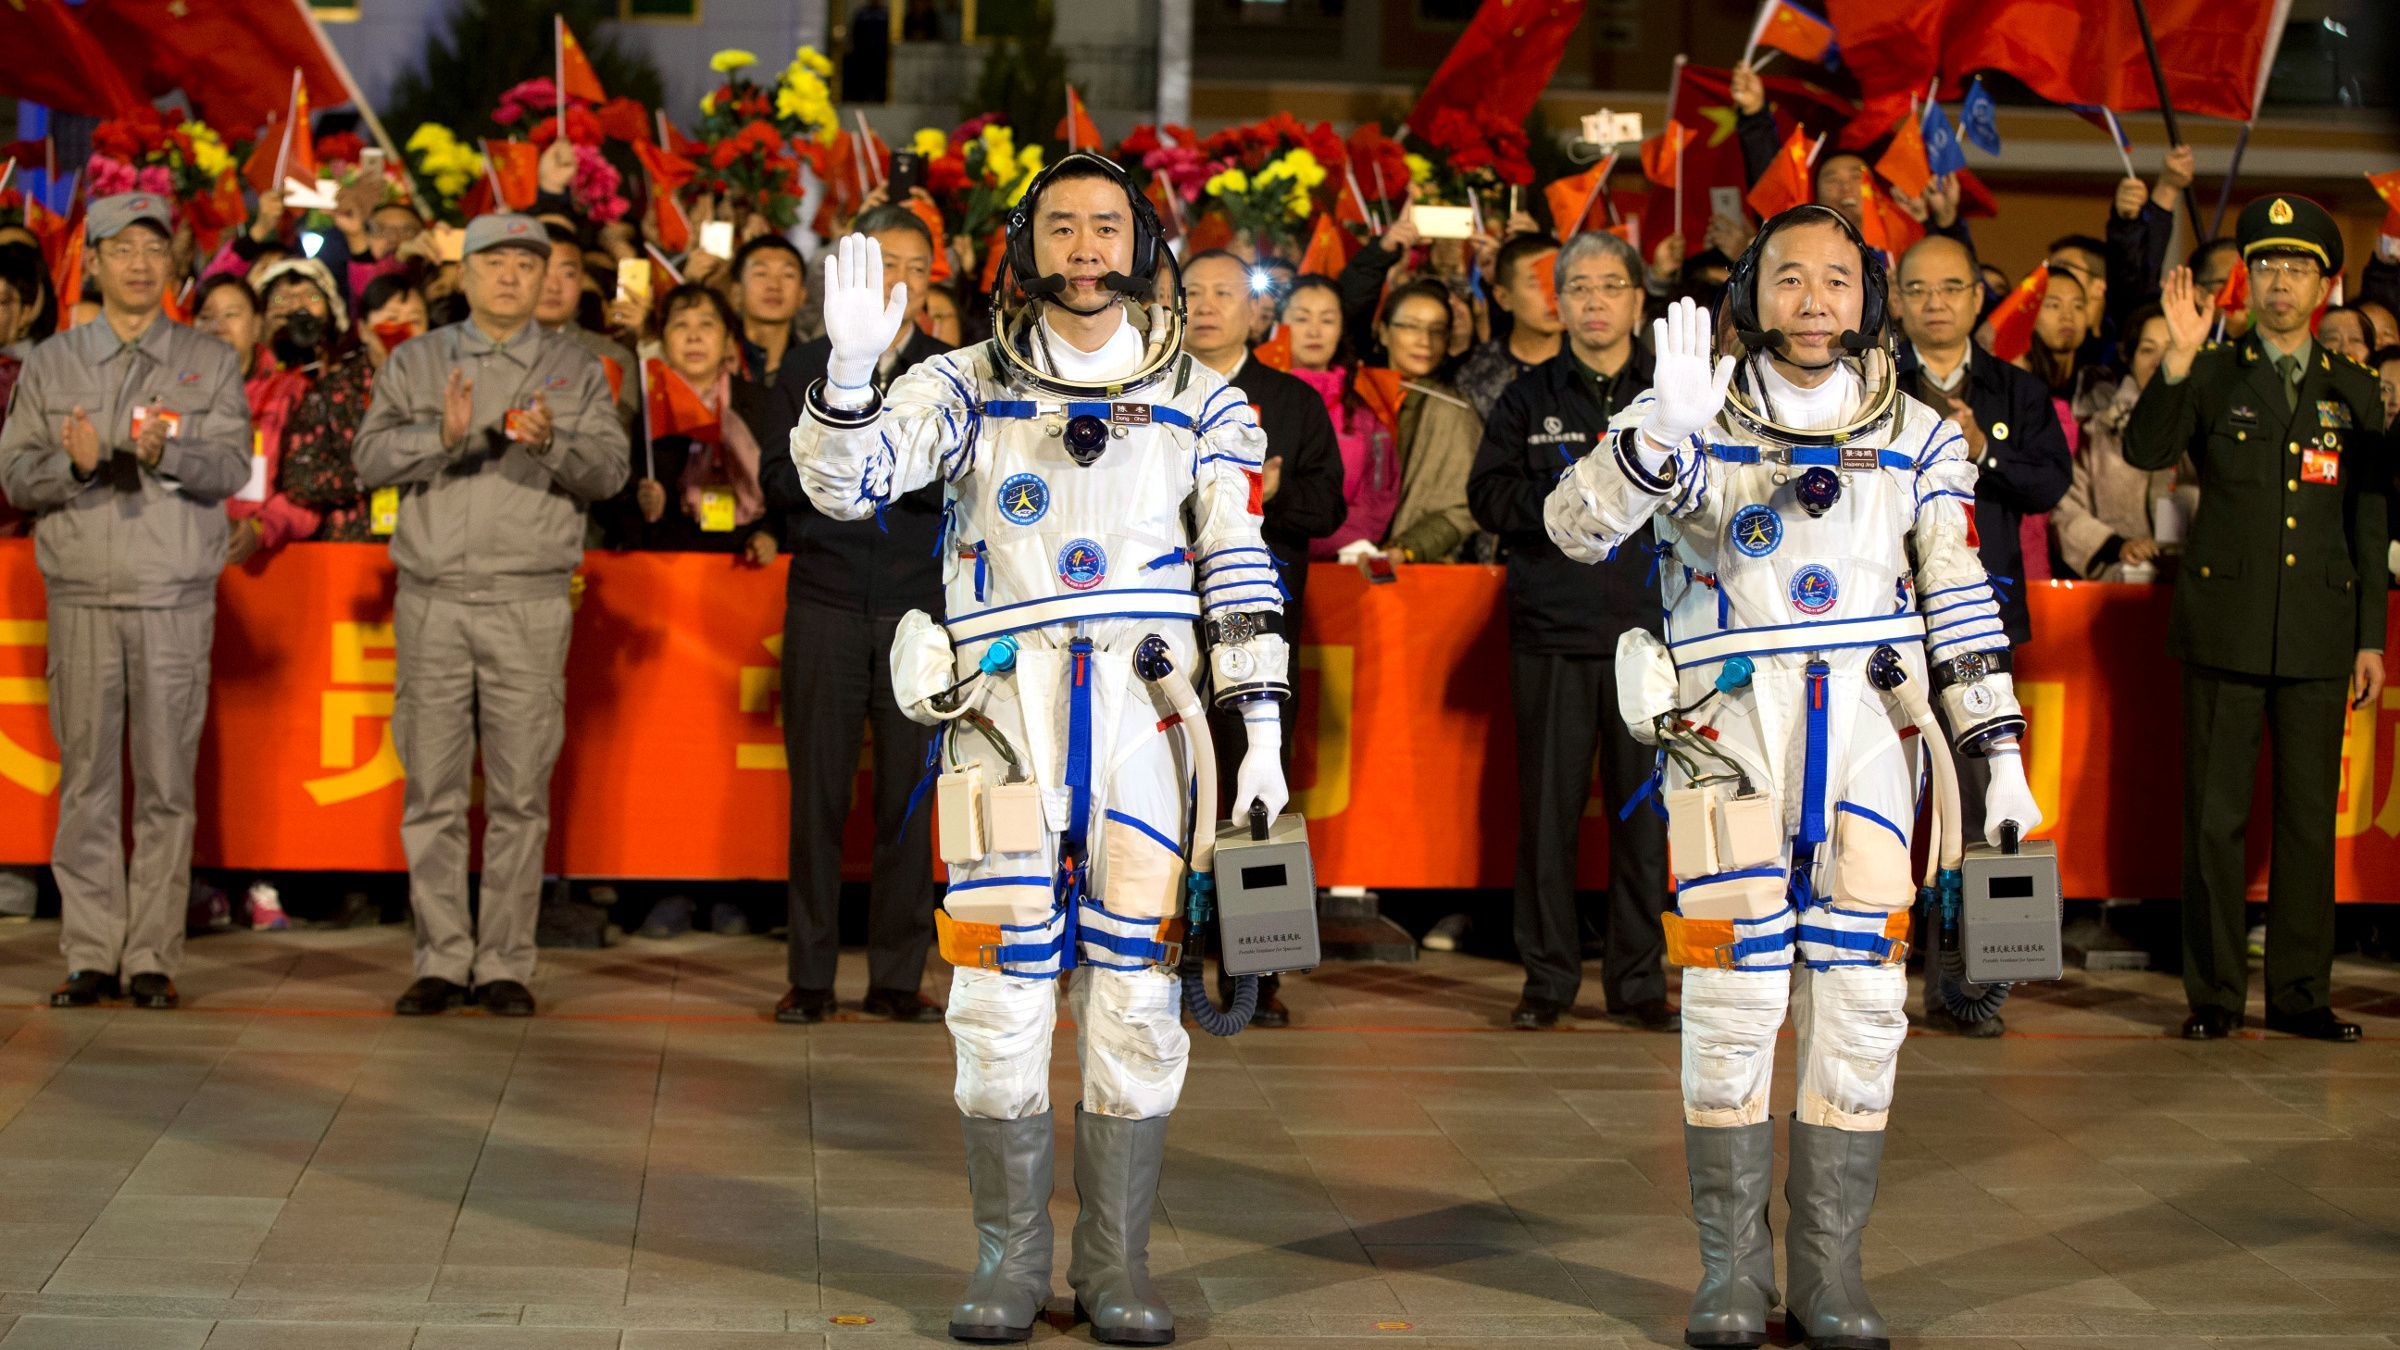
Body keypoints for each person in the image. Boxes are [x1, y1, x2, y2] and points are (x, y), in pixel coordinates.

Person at [791, 151, 1291, 1346]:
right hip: (1005, 720)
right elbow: (848, 485)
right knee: (998, 989)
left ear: (1142, 245)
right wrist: (854, 370)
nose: (1084, 248)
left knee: (1138, 992)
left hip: (1149, 718)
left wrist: (1261, 730)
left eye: (1106, 226)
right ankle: (1008, 1261)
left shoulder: (1204, 398)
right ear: (1023, 245)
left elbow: (1239, 563)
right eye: (1061, 226)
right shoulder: (961, 385)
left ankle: (1115, 1262)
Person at [1545, 204, 2041, 1350]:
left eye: (1835, 279)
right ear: (1749, 294)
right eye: (1787, 278)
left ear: (1869, 294)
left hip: (1870, 736)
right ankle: (1728, 1273)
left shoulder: (1921, 435)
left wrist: (1998, 756)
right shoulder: (1685, 414)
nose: (1813, 300)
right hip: (1728, 744)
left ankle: (1831, 1275)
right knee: (1730, 1000)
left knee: (1865, 1006)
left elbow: (1961, 596)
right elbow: (1572, 529)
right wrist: (1656, 440)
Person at [2123, 195, 2388, 1044]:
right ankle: (2216, 997)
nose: (2281, 282)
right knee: (2215, 816)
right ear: (2250, 277)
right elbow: (2146, 451)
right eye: (2268, 266)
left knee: (2310, 820)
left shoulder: (2352, 389)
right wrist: (2176, 362)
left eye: (2299, 268)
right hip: (2226, 621)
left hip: (2317, 627)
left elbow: (2367, 518)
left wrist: (2371, 639)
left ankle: (2304, 994)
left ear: (2326, 285)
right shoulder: (2212, 368)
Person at [353, 212, 631, 1019]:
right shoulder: (417, 361)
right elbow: (369, 459)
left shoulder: (573, 368)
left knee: (519, 792)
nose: (511, 276)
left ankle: (505, 960)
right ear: (464, 275)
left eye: (526, 264)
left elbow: (609, 471)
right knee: (432, 789)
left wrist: (550, 446)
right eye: (494, 263)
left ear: (547, 278)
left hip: (529, 601)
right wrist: (438, 438)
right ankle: (441, 957)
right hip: (434, 600)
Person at [0, 194, 252, 1010]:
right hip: (82, 594)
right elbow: (15, 475)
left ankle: (151, 954)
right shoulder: (52, 363)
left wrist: (167, 449)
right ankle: (89, 953)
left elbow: (230, 469)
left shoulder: (207, 361)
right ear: (94, 261)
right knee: (87, 781)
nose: (140, 263)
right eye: (122, 248)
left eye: (155, 248)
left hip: (173, 595)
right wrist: (75, 467)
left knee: (167, 781)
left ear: (173, 264)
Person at [1466, 229, 1674, 1034]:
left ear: (1637, 300)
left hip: (1653, 640)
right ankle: (1547, 980)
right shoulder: (1527, 396)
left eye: (1610, 286)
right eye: (1578, 287)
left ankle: (1638, 981)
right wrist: (1570, 506)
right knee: (1547, 817)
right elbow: (1488, 497)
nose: (1594, 301)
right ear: (1559, 300)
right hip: (1552, 631)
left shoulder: (1671, 397)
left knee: (1645, 821)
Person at [757, 204, 950, 1023]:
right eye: (885, 264)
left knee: (911, 797)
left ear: (933, 276)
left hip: (921, 611)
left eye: (913, 265)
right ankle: (809, 975)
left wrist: (894, 472)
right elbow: (775, 478)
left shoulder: (950, 373)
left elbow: (968, 485)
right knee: (818, 796)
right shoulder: (808, 362)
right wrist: (845, 468)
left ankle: (898, 977)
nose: (898, 280)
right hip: (827, 601)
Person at [1183, 248, 1348, 1028]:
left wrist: (1264, 498)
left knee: (1256, 797)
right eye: (1190, 292)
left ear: (1257, 311)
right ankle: (1160, 951)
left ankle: (1259, 968)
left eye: (1225, 292)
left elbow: (1326, 509)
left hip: (1256, 630)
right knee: (1171, 794)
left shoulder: (1290, 401)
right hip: (1164, 632)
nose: (1206, 306)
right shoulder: (1151, 393)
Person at [2054, 304, 2193, 581]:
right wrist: (2117, 546)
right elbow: (2066, 510)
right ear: (2129, 358)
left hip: (2196, 586)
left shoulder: (2206, 428)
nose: (2159, 361)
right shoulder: (2099, 431)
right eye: (2147, 349)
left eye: (2171, 347)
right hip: (2122, 588)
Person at [1360, 280, 1481, 563]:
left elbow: (1463, 508)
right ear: (1384, 331)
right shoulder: (1353, 397)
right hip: (1338, 559)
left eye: (1437, 331)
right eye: (1411, 326)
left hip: (1417, 566)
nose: (1425, 340)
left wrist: (1408, 548)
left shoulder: (1455, 411)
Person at [1286, 276, 1402, 562]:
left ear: (1341, 329)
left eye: (1327, 320)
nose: (1314, 331)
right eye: (1301, 319)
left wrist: (1343, 539)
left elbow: (1378, 490)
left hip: (1345, 557)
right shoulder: (1253, 397)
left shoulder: (1364, 403)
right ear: (1280, 323)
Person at [535, 224, 640, 439]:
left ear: (581, 280)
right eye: (543, 271)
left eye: (567, 273)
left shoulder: (611, 359)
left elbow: (611, 448)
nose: (554, 286)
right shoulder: (488, 350)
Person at [1454, 233, 1562, 420]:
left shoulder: (1596, 364)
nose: (1552, 295)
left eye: (1559, 281)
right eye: (1537, 283)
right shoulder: (1471, 373)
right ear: (1503, 298)